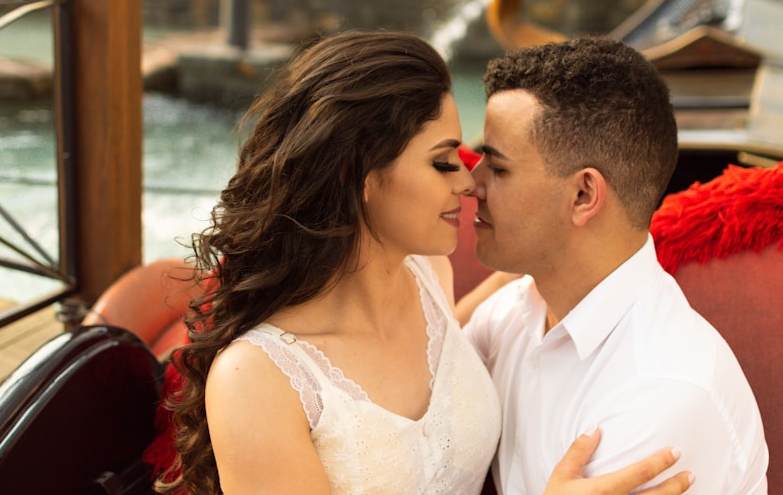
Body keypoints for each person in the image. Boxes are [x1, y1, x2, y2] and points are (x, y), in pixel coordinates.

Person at [151, 30, 693, 495]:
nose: (468, 181)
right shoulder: (256, 379)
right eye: (442, 162)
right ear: (356, 176)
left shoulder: (432, 278)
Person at [462, 36, 769, 494]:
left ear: (584, 195)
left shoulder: (662, 393)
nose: (472, 184)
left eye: (498, 168)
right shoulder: (516, 310)